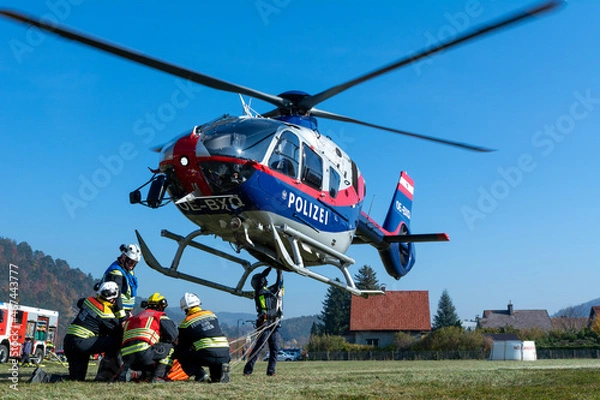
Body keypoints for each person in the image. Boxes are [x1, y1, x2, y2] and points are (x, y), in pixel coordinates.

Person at [28, 281, 122, 383]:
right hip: (81, 343)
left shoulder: (88, 301)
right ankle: (105, 376)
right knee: (116, 341)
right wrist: (121, 314)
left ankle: (41, 377)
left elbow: (79, 302)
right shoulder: (106, 313)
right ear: (113, 299)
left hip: (69, 342)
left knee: (76, 379)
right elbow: (117, 329)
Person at [119, 292, 177, 383]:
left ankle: (131, 372)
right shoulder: (159, 316)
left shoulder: (135, 318)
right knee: (170, 347)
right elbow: (173, 335)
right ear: (161, 306)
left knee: (147, 352)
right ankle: (158, 377)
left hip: (126, 356)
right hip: (143, 353)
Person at [174, 293, 230, 383]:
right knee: (213, 357)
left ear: (185, 309)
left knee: (181, 353)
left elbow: (183, 346)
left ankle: (200, 375)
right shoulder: (212, 315)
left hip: (207, 356)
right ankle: (220, 373)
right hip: (225, 354)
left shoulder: (186, 323)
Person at [243, 267, 284, 377]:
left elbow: (279, 284)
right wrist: (270, 267)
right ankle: (248, 370)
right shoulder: (259, 291)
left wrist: (279, 272)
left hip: (274, 323)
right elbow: (262, 276)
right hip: (264, 323)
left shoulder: (269, 291)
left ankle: (271, 371)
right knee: (259, 346)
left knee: (274, 348)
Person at [99, 243, 141, 321]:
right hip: (114, 311)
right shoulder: (116, 272)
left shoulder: (128, 270)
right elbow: (116, 296)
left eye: (135, 263)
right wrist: (123, 318)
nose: (132, 266)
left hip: (124, 311)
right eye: (131, 262)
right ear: (124, 257)